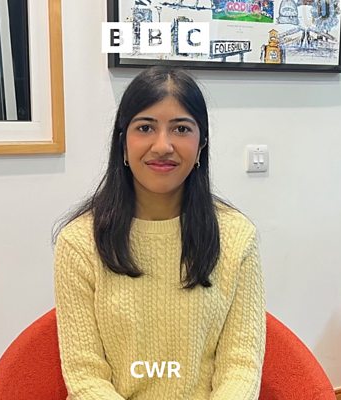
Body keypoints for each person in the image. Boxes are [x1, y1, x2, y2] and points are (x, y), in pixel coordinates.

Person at [53, 65, 266, 400]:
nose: (163, 145)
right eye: (145, 127)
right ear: (123, 144)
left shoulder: (236, 236)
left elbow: (241, 367)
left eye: (181, 129)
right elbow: (85, 377)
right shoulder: (79, 242)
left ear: (201, 144)